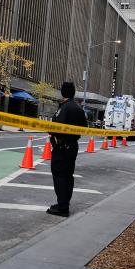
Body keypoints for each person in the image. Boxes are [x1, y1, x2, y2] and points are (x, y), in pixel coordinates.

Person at [47, 82, 87, 217]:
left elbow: (55, 127)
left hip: (62, 146)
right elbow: (84, 126)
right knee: (68, 176)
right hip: (72, 146)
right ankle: (64, 203)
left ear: (62, 92)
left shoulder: (64, 108)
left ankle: (62, 206)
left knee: (60, 175)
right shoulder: (78, 108)